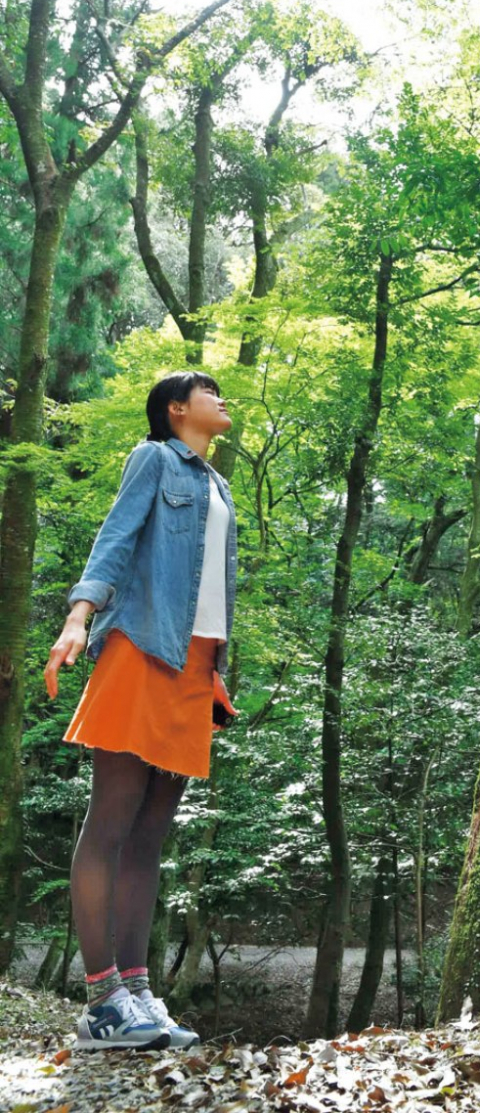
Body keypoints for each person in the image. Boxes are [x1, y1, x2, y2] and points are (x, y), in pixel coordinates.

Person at [44, 371, 238, 1052]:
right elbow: (115, 541)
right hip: (142, 647)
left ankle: (137, 990)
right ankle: (102, 1000)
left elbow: (211, 589)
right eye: (209, 392)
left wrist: (214, 670)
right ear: (177, 409)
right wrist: (78, 618)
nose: (223, 400)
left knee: (152, 835)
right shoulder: (154, 459)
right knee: (113, 821)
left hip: (195, 666)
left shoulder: (219, 487)